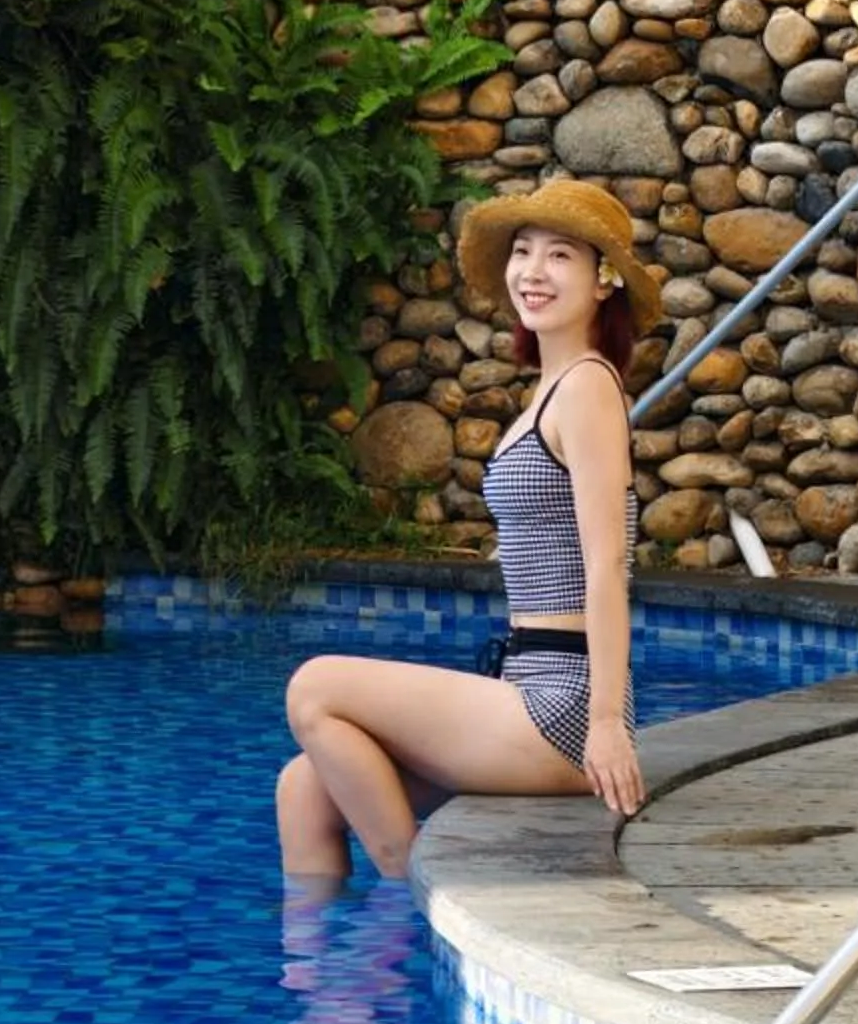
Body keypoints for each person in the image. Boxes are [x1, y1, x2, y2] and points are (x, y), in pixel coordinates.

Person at [276, 177, 661, 880]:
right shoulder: (551, 390)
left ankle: (411, 881)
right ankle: (334, 953)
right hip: (526, 682)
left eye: (560, 256)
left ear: (604, 279)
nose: (533, 271)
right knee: (303, 790)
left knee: (314, 686)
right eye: (523, 251)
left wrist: (607, 723)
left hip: (566, 706)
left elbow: (607, 566)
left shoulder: (587, 387)